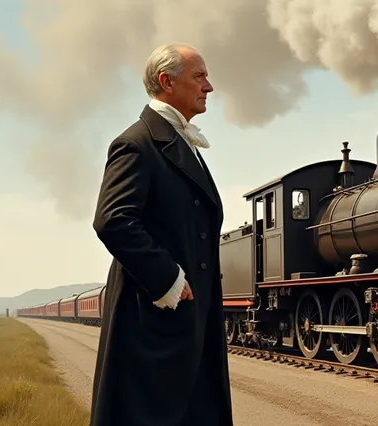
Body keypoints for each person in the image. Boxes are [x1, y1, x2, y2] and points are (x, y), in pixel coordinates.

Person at [89, 42, 232, 426]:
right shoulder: (136, 144)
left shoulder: (182, 141)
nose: (209, 86)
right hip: (154, 321)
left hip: (186, 323)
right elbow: (113, 220)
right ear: (167, 82)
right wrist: (167, 279)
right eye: (199, 76)